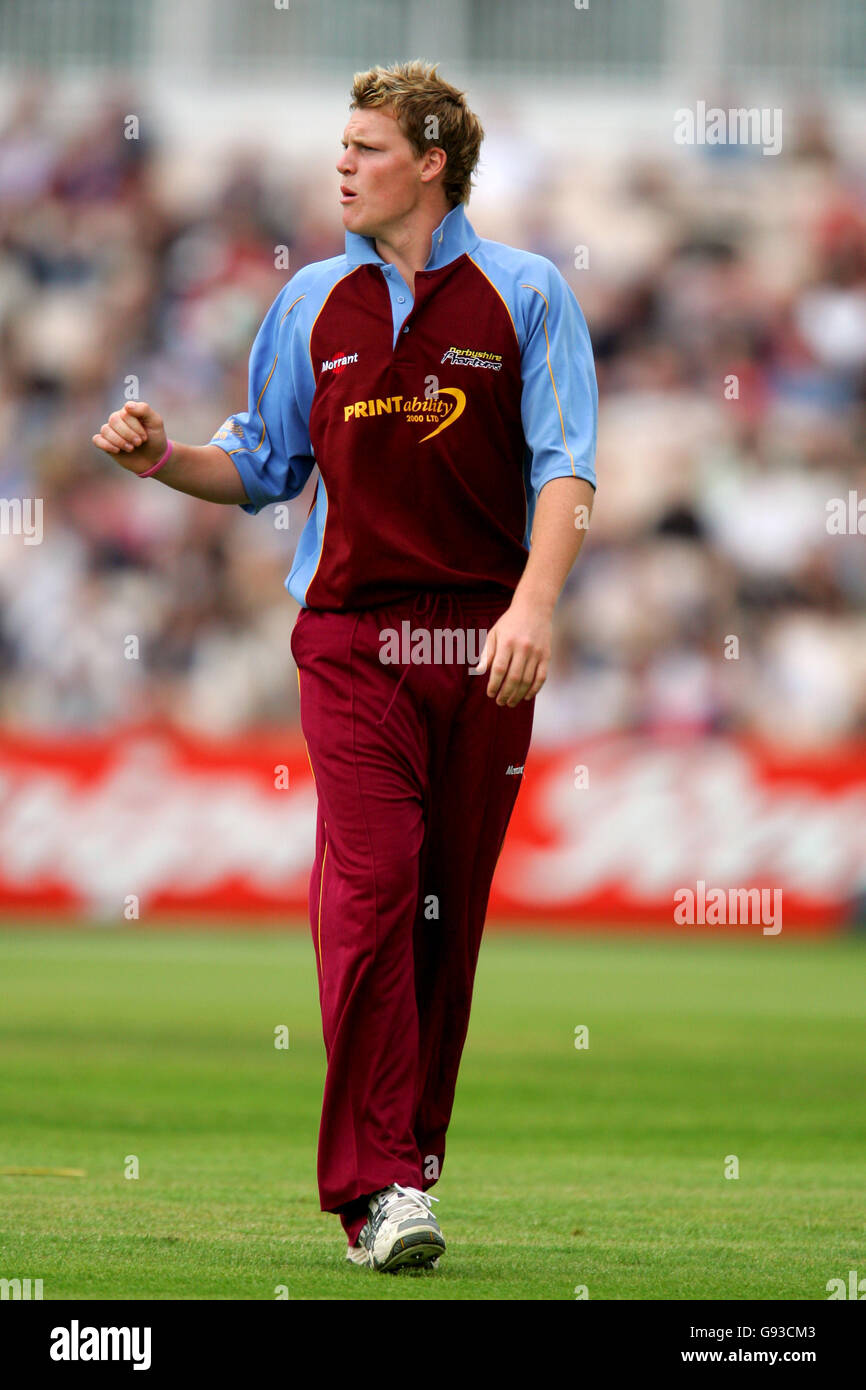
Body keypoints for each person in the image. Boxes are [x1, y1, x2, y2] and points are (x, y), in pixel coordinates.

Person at [92, 59, 598, 1274]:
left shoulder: (525, 293)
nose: (342, 165)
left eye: (366, 146)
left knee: (446, 914)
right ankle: (373, 1182)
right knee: (375, 885)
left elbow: (566, 469)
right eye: (340, 144)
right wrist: (167, 458)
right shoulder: (308, 301)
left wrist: (535, 603)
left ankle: (407, 1166)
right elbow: (260, 463)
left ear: (430, 160)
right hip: (352, 641)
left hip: (484, 644)